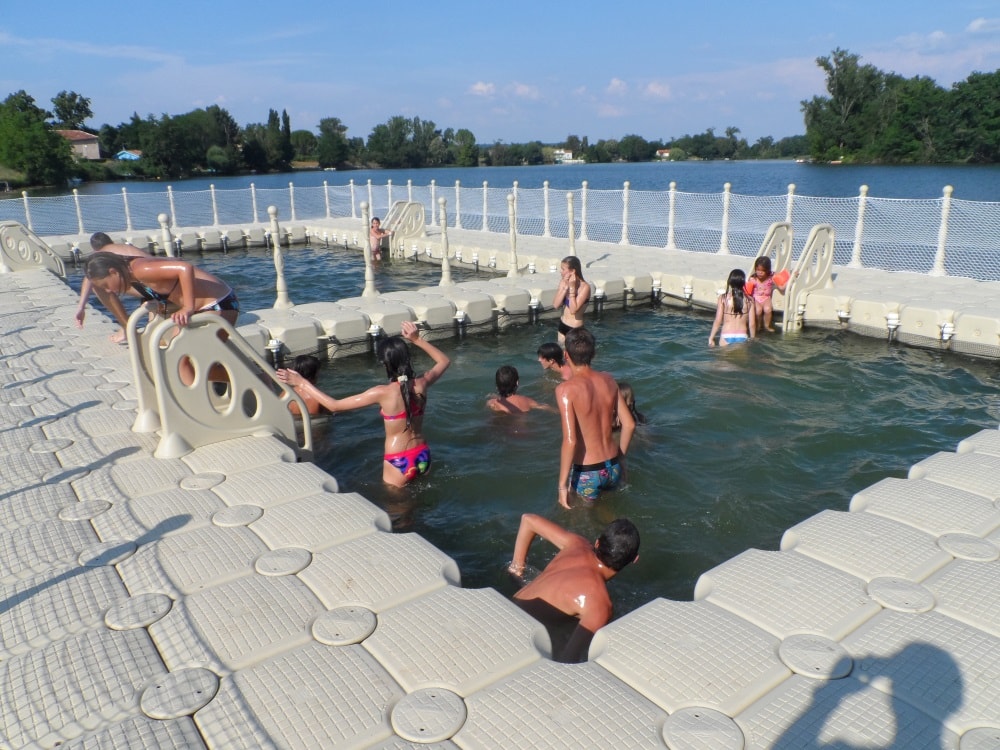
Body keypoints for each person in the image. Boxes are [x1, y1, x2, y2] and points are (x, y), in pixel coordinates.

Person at [276, 320, 450, 487]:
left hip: (398, 460)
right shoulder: (422, 384)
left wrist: (301, 382)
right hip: (422, 453)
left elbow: (335, 405)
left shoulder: (381, 392)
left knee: (399, 510)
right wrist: (416, 339)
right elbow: (444, 361)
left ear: (384, 363)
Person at [508, 513, 639, 662]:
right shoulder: (599, 605)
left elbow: (528, 520)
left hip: (505, 609)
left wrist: (516, 569)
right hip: (516, 641)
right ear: (635, 559)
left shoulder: (577, 544)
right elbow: (568, 659)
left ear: (597, 543)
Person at [556, 327, 635, 508]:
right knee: (607, 512)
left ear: (566, 355)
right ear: (594, 353)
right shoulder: (608, 380)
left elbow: (570, 441)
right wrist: (621, 458)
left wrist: (561, 486)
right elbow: (629, 424)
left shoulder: (565, 390)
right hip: (613, 466)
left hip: (588, 472)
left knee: (580, 521)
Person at [75, 232, 151, 343]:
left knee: (97, 284)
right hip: (157, 287)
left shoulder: (103, 254)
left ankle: (127, 328)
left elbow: (89, 278)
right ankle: (127, 327)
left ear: (95, 250)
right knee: (105, 280)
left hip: (151, 289)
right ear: (111, 242)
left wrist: (81, 308)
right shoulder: (123, 248)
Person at [708, 269, 756, 347]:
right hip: (742, 336)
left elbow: (718, 320)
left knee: (725, 359)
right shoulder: (750, 300)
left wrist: (711, 338)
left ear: (730, 282)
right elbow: (752, 324)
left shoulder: (723, 298)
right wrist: (753, 338)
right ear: (743, 283)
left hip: (726, 335)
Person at [744, 256, 790, 333]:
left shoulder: (771, 278)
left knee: (768, 309)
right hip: (756, 298)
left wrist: (790, 279)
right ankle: (758, 325)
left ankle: (767, 326)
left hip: (766, 298)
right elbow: (747, 292)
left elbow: (781, 288)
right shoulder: (753, 279)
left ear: (768, 271)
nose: (760, 273)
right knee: (758, 310)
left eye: (763, 271)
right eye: (758, 270)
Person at [552, 256, 590, 344]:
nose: (561, 272)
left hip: (575, 329)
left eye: (563, 269)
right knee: (561, 354)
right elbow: (555, 305)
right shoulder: (563, 282)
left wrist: (572, 288)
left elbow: (573, 310)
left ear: (573, 271)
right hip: (562, 324)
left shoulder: (585, 287)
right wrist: (565, 287)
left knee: (573, 356)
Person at [488, 365, 555, 414]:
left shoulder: (491, 403)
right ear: (517, 383)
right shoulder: (525, 400)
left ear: (497, 385)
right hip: (521, 431)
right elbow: (544, 406)